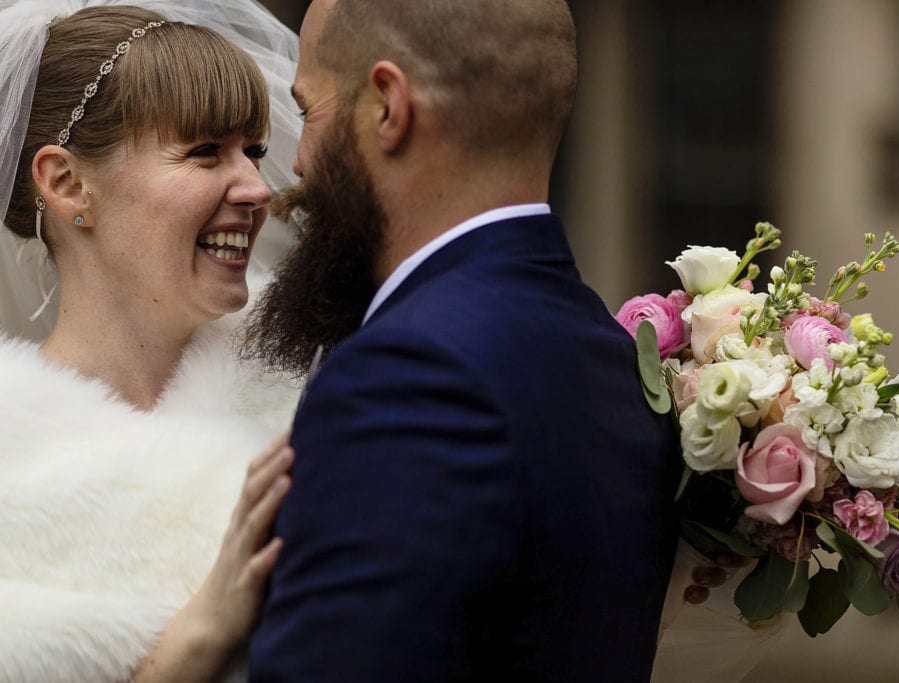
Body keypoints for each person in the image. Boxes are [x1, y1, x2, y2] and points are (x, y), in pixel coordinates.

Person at [244, 1, 681, 680]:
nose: (295, 163)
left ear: (388, 106)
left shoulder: (407, 378)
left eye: (307, 112)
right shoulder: (611, 354)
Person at [0, 1, 304, 680]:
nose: (258, 188)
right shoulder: (8, 471)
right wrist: (199, 636)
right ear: (67, 182)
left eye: (253, 152)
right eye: (204, 152)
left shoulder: (321, 386)